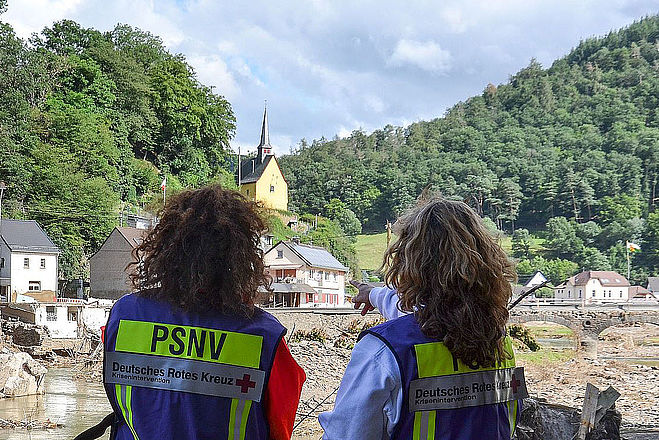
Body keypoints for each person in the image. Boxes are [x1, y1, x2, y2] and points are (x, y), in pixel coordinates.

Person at [102, 185, 305, 440]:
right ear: (240, 256)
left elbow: (117, 396)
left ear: (167, 248)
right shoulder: (264, 336)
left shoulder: (125, 315)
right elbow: (280, 427)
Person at [320, 197, 526, 440]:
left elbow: (346, 435)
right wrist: (373, 294)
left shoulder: (384, 351)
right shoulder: (500, 342)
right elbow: (511, 417)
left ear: (410, 265)